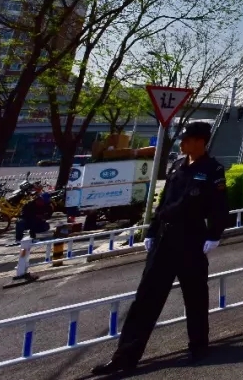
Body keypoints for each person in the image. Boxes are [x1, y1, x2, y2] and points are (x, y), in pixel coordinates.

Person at [92, 121, 228, 376]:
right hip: (165, 239)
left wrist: (214, 234)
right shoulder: (177, 166)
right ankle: (125, 356)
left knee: (195, 296)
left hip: (192, 239)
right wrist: (152, 231)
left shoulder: (213, 169)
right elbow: (163, 201)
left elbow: (219, 205)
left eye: (187, 139)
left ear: (200, 142)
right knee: (145, 298)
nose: (182, 143)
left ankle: (198, 346)